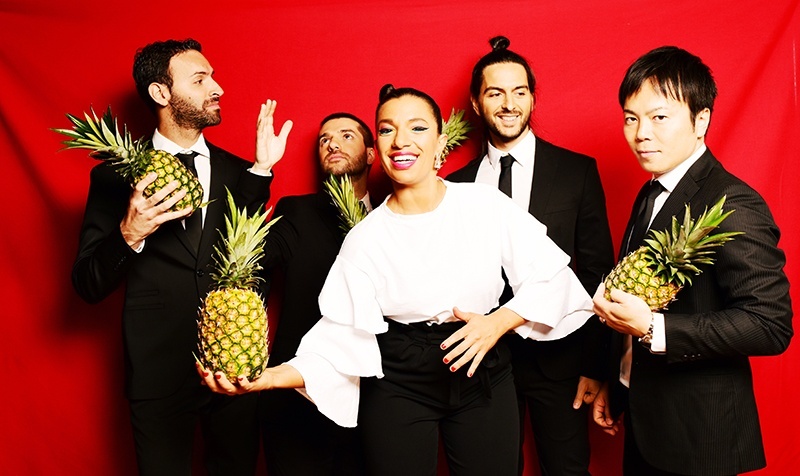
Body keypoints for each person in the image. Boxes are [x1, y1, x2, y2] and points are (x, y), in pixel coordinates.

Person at [200, 84, 595, 476]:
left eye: (417, 128)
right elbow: (337, 343)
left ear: (441, 142)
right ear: (379, 147)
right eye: (387, 129)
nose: (400, 140)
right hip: (399, 378)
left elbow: (553, 279)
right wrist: (264, 379)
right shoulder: (364, 239)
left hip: (483, 367)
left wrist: (499, 322)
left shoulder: (484, 204)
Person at [71, 38, 291, 475]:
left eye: (212, 76)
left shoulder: (237, 170)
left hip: (233, 368)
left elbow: (245, 250)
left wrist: (262, 169)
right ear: (161, 93)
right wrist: (130, 232)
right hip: (157, 370)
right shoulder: (114, 177)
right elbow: (88, 283)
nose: (218, 87)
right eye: (200, 79)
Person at [591, 46, 793, 475]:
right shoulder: (652, 190)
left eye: (659, 117)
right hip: (647, 421)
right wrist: (619, 381)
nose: (641, 132)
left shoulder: (732, 203)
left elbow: (770, 325)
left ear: (701, 120)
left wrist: (653, 328)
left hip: (700, 438)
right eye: (631, 118)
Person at [447, 35, 614, 475]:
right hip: (482, 361)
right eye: (495, 92)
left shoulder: (576, 171)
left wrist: (597, 365)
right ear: (476, 102)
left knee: (566, 468)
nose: (508, 103)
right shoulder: (454, 186)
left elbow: (598, 272)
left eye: (519, 92)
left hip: (560, 359)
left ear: (532, 98)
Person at [258, 112, 374, 475]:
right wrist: (262, 168)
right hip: (297, 391)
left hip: (374, 398)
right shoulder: (297, 212)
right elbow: (249, 258)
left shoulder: (393, 218)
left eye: (345, 135)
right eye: (324, 139)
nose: (333, 143)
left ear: (372, 154)